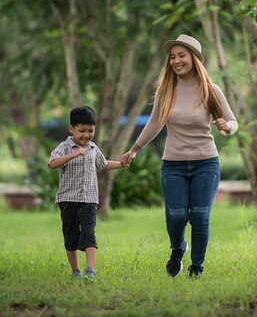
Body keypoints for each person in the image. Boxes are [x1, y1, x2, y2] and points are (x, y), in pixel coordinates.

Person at [121, 34, 238, 278]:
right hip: (173, 164)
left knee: (200, 215)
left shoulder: (210, 90)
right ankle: (178, 248)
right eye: (172, 57)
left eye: (181, 55)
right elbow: (154, 124)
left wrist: (226, 128)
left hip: (206, 162)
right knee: (175, 217)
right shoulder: (166, 91)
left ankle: (197, 267)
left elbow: (232, 121)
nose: (176, 61)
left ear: (194, 58)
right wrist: (134, 149)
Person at [48, 106, 126, 280]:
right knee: (71, 235)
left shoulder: (93, 148)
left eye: (90, 131)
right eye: (82, 130)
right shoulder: (65, 147)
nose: (86, 135)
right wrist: (74, 154)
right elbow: (52, 163)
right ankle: (76, 271)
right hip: (68, 199)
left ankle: (90, 271)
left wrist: (121, 163)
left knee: (89, 232)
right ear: (71, 129)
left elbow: (103, 164)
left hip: (90, 199)